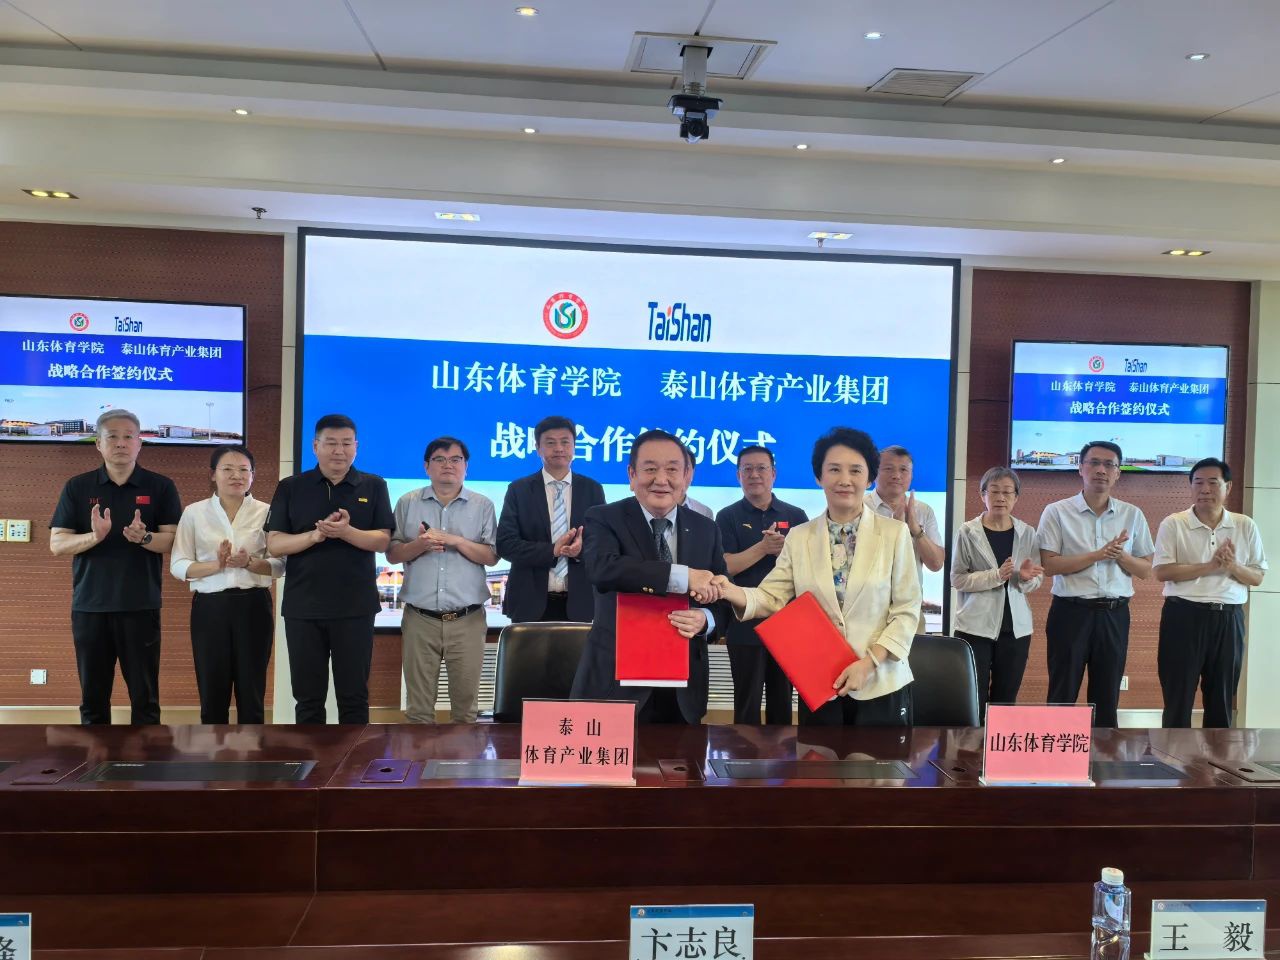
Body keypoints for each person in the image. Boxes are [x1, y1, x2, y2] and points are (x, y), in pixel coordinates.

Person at [714, 427, 920, 727]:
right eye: (834, 469)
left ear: (869, 479)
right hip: (821, 683)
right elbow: (771, 596)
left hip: (881, 682)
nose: (844, 479)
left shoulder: (894, 534)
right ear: (818, 477)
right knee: (818, 758)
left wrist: (869, 663)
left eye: (855, 470)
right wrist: (726, 589)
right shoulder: (800, 537)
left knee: (880, 759)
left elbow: (906, 610)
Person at [570, 429, 726, 724]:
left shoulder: (706, 528)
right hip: (616, 680)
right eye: (650, 469)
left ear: (687, 475)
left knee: (682, 753)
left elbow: (721, 598)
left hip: (683, 686)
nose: (661, 479)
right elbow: (603, 569)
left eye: (672, 469)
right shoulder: (603, 517)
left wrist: (706, 619)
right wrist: (683, 577)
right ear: (632, 475)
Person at [50, 409, 182, 725]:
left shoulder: (160, 486)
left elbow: (174, 541)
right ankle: (95, 756)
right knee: (93, 700)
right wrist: (94, 537)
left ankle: (147, 755)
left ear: (140, 443)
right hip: (90, 607)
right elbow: (57, 544)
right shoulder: (77, 486)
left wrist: (144, 537)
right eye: (112, 437)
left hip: (141, 606)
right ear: (98, 443)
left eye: (128, 437)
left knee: (145, 700)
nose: (121, 443)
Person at [265, 414, 393, 724]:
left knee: (354, 697)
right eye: (331, 443)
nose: (339, 451)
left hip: (355, 608)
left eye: (347, 443)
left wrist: (346, 532)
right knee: (308, 699)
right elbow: (275, 544)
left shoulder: (374, 485)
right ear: (315, 446)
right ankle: (314, 757)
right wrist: (315, 536)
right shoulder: (291, 487)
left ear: (356, 446)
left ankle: (353, 756)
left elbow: (383, 540)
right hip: (303, 607)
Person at [1037, 441, 1154, 728]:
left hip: (1115, 614)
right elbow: (1049, 565)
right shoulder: (1057, 512)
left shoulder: (1132, 514)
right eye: (1094, 463)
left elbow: (1145, 569)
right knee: (1062, 692)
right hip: (1070, 613)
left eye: (1109, 465)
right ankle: (1057, 752)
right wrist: (1097, 555)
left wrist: (1120, 556)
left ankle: (1103, 754)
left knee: (1107, 695)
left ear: (1118, 473)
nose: (1101, 470)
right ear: (1080, 468)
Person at [387, 436, 497, 724]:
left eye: (455, 459)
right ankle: (420, 755)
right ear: (427, 466)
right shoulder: (407, 502)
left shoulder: (482, 505)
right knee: (419, 711)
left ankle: (462, 755)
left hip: (467, 619)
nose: (448, 465)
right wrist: (419, 545)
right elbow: (393, 554)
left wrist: (455, 540)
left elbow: (491, 556)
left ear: (466, 466)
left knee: (466, 710)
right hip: (420, 619)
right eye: (439, 459)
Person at [170, 445, 283, 724]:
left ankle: (253, 751)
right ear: (213, 474)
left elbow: (280, 565)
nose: (237, 476)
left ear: (253, 475)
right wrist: (216, 566)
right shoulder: (194, 513)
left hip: (254, 606)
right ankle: (212, 750)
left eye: (244, 470)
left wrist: (249, 563)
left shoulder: (267, 512)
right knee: (212, 690)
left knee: (252, 691)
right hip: (210, 608)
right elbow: (178, 565)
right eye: (228, 469)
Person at [1154, 458, 1267, 728]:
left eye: (1213, 483)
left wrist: (1232, 566)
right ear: (1191, 487)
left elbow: (1257, 577)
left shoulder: (1245, 525)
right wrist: (1209, 566)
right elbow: (1162, 572)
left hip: (1228, 619)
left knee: (1222, 699)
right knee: (1178, 697)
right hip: (1183, 616)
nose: (1205, 489)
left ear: (1228, 487)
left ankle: (1218, 756)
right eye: (1198, 482)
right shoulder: (1174, 523)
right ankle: (1173, 755)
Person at [715, 445, 808, 724]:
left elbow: (809, 569)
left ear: (774, 474)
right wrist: (763, 548)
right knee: (747, 703)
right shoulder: (727, 516)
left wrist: (786, 552)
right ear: (738, 476)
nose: (754, 475)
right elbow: (725, 566)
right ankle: (743, 753)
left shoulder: (796, 515)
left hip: (787, 624)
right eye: (747, 469)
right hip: (744, 624)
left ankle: (782, 754)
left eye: (761, 468)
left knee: (783, 703)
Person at [950, 466, 1044, 720]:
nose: (1000, 497)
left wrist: (1025, 579)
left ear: (1016, 497)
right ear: (983, 495)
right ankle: (972, 745)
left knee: (1005, 700)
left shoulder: (1027, 532)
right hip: (974, 627)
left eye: (1007, 492)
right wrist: (996, 576)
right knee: (973, 697)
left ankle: (997, 744)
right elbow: (957, 578)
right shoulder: (967, 531)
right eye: (994, 491)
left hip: (1016, 630)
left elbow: (1036, 578)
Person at [496, 415, 605, 623]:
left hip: (581, 603)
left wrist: (581, 551)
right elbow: (505, 544)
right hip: (529, 602)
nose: (559, 448)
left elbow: (602, 543)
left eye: (565, 442)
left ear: (574, 447)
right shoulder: (519, 490)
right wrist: (552, 550)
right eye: (550, 443)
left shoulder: (592, 489)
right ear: (538, 448)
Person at [865, 444, 943, 632]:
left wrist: (916, 531)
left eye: (903, 470)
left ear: (911, 475)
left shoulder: (923, 511)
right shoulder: (860, 508)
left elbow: (936, 564)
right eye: (888, 469)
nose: (896, 475)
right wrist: (895, 531)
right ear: (874, 473)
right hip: (866, 611)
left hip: (910, 611)